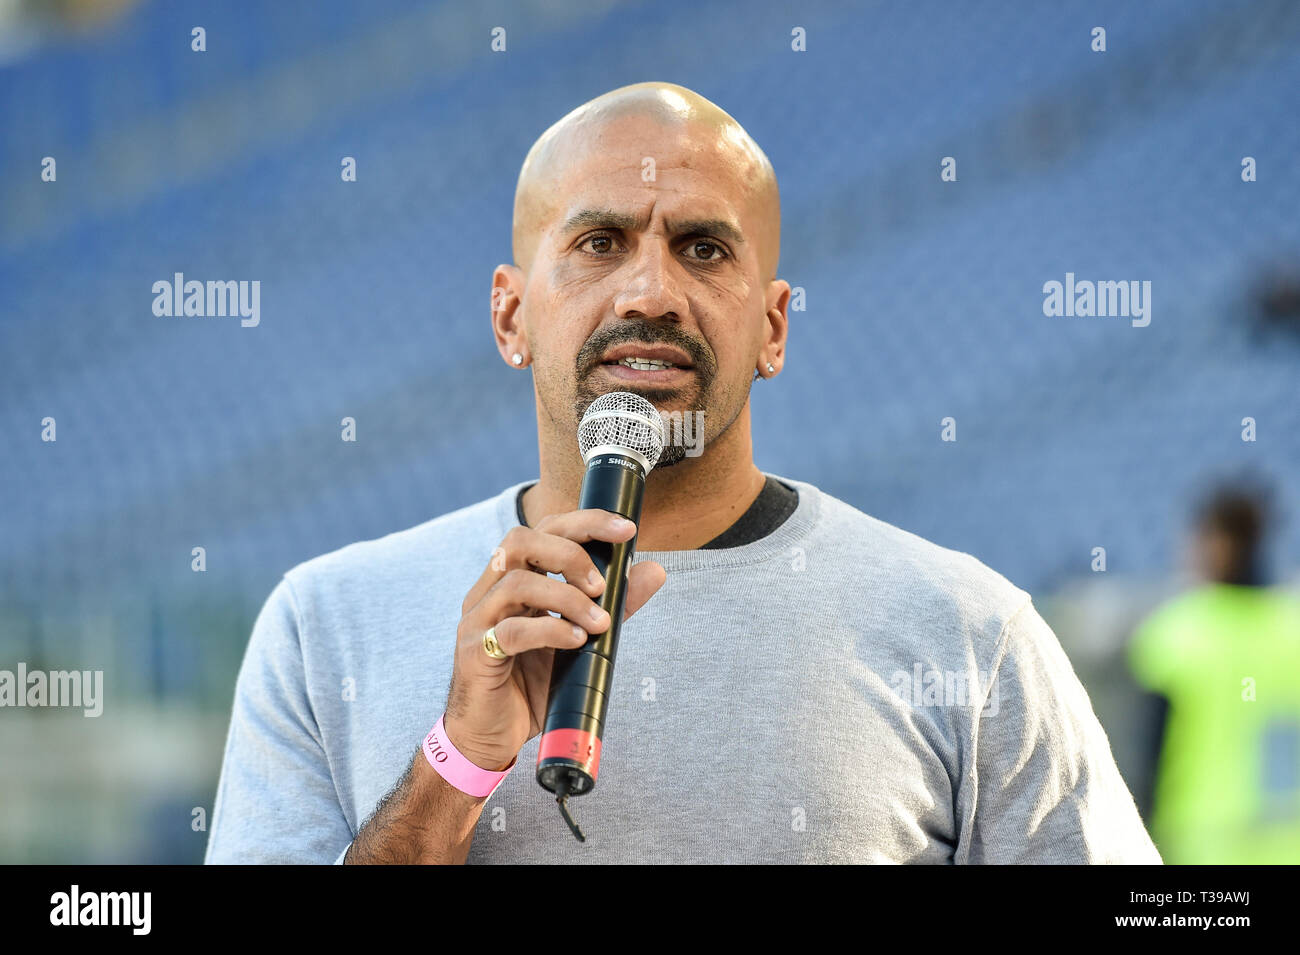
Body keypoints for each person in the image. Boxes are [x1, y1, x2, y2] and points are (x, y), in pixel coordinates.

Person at [204, 82, 1160, 864]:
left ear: (774, 327)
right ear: (511, 317)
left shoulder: (967, 630)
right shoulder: (326, 624)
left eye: (703, 249)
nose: (652, 292)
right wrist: (456, 764)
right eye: (598, 243)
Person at [1128, 480, 1300, 863]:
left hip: (1201, 846)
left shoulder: (1177, 635)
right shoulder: (1293, 628)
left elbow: (1147, 762)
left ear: (1219, 543)